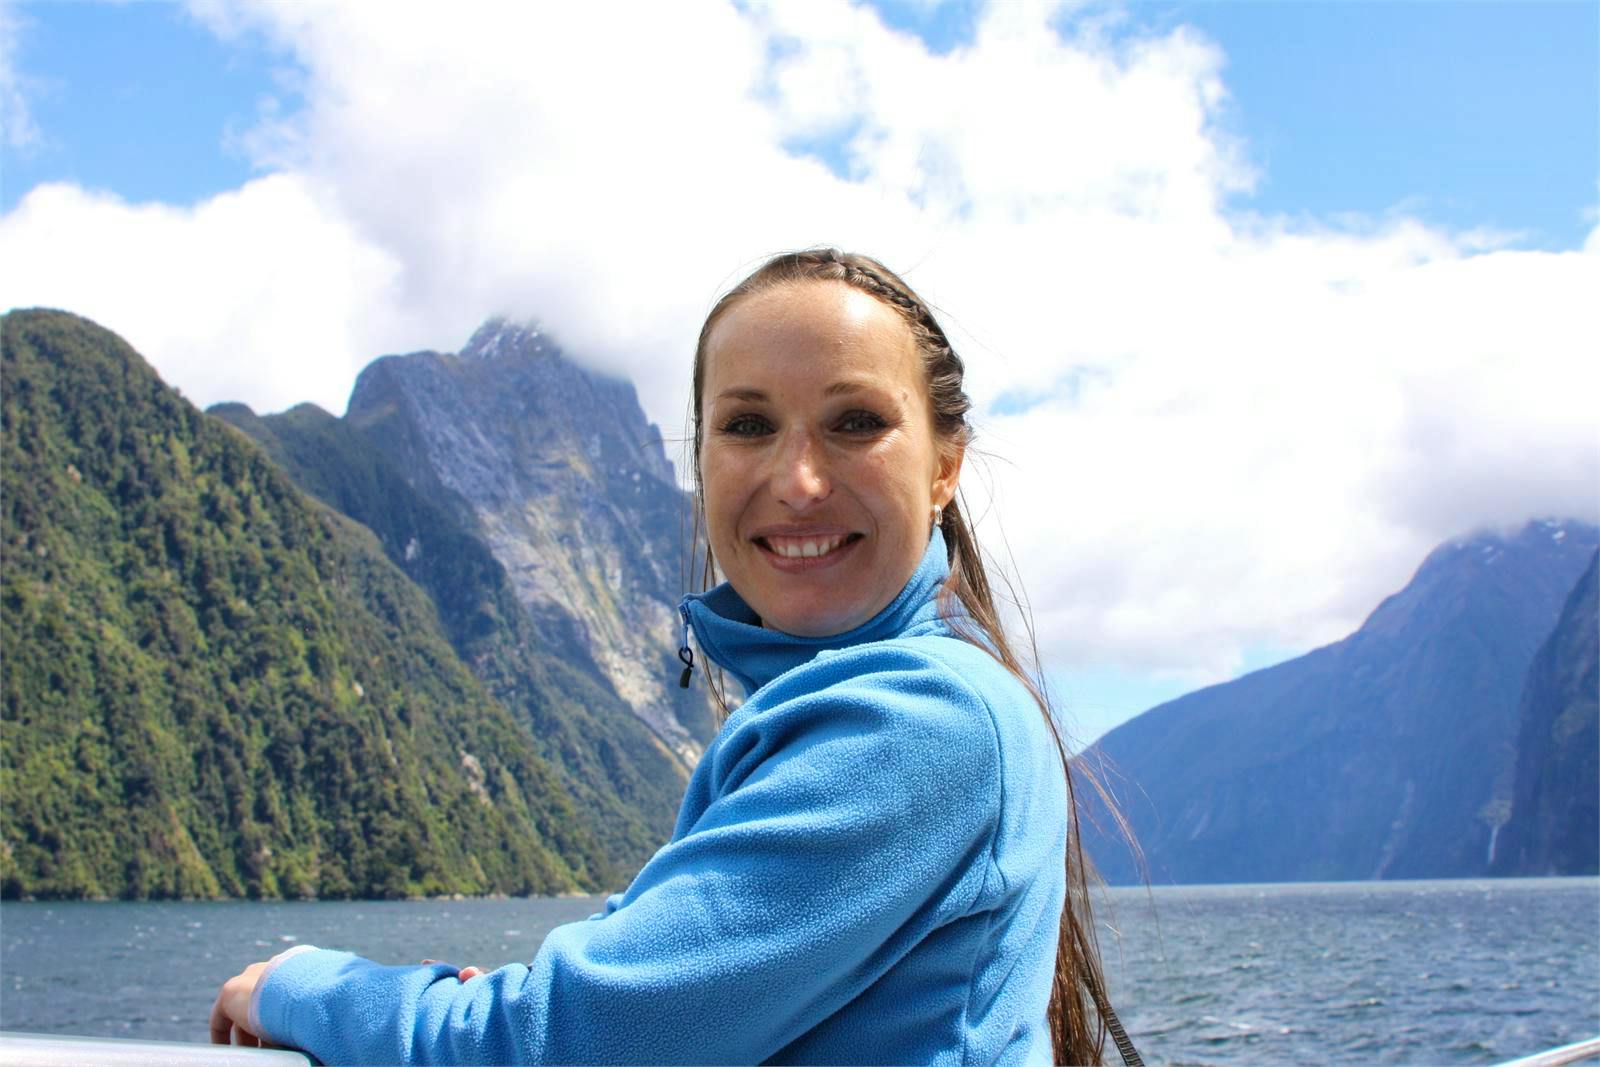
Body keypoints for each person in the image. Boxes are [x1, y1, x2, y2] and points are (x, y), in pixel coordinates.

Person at [210, 249, 1135, 1065]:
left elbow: (566, 1042)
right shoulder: (895, 701)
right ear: (700, 458)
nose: (797, 480)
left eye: (855, 421)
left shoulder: (920, 722)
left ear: (944, 467)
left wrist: (303, 985)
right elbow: (637, 995)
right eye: (746, 425)